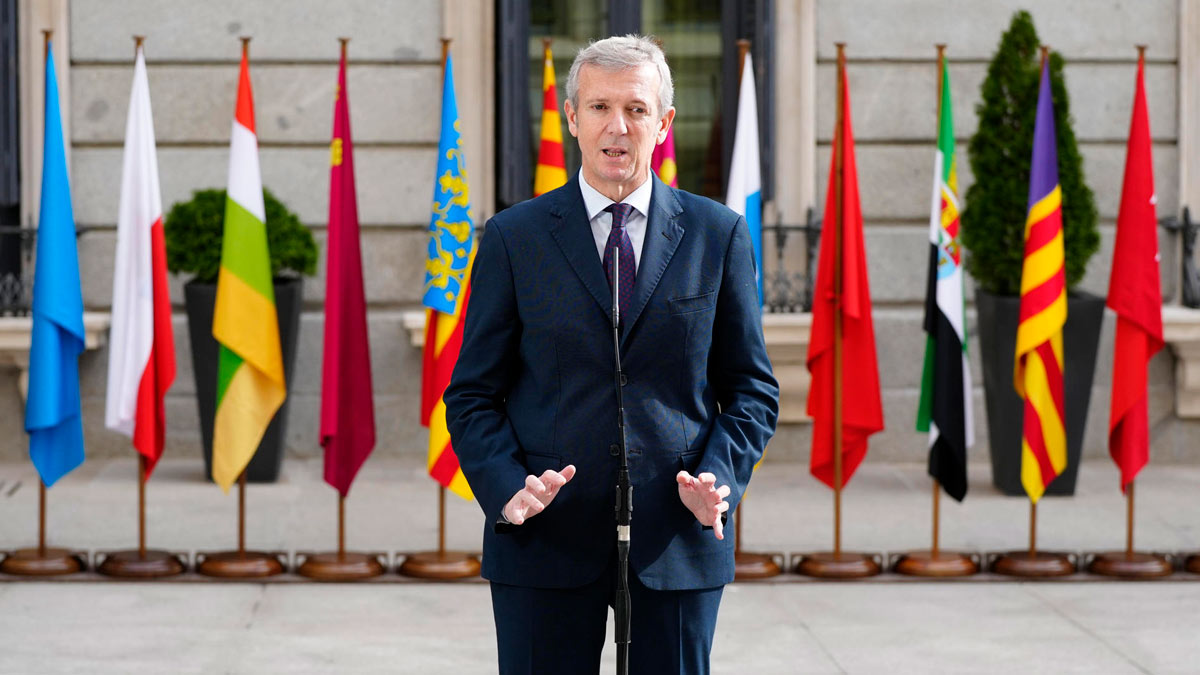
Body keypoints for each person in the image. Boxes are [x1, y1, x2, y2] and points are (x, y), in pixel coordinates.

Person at [444, 34, 778, 674]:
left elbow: (752, 390)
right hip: (544, 538)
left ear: (665, 123)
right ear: (571, 118)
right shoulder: (514, 239)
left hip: (676, 540)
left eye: (636, 109)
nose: (616, 127)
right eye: (598, 107)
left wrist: (719, 477)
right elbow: (472, 395)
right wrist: (505, 484)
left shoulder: (718, 235)